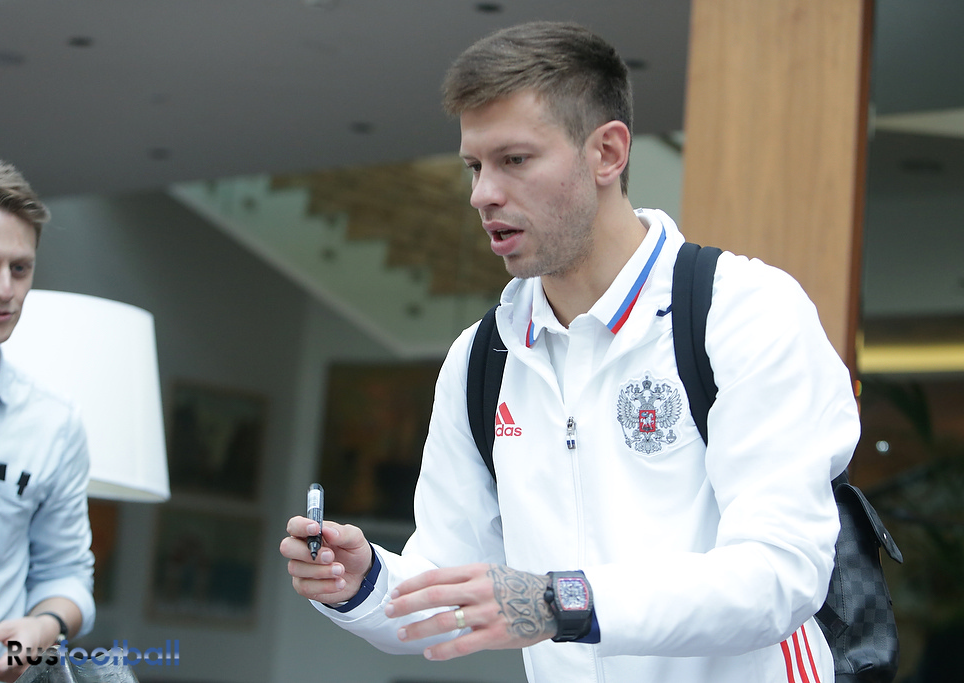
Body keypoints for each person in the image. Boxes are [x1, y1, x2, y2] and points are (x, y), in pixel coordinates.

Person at [280, 21, 860, 683]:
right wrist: (363, 584)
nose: (482, 193)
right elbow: (452, 592)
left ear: (607, 153)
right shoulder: (481, 359)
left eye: (514, 160)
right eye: (474, 166)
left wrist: (563, 602)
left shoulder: (743, 310)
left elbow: (779, 576)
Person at [0, 158, 95, 681]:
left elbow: (67, 573)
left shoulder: (55, 424)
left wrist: (44, 626)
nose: (6, 289)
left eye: (21, 268)